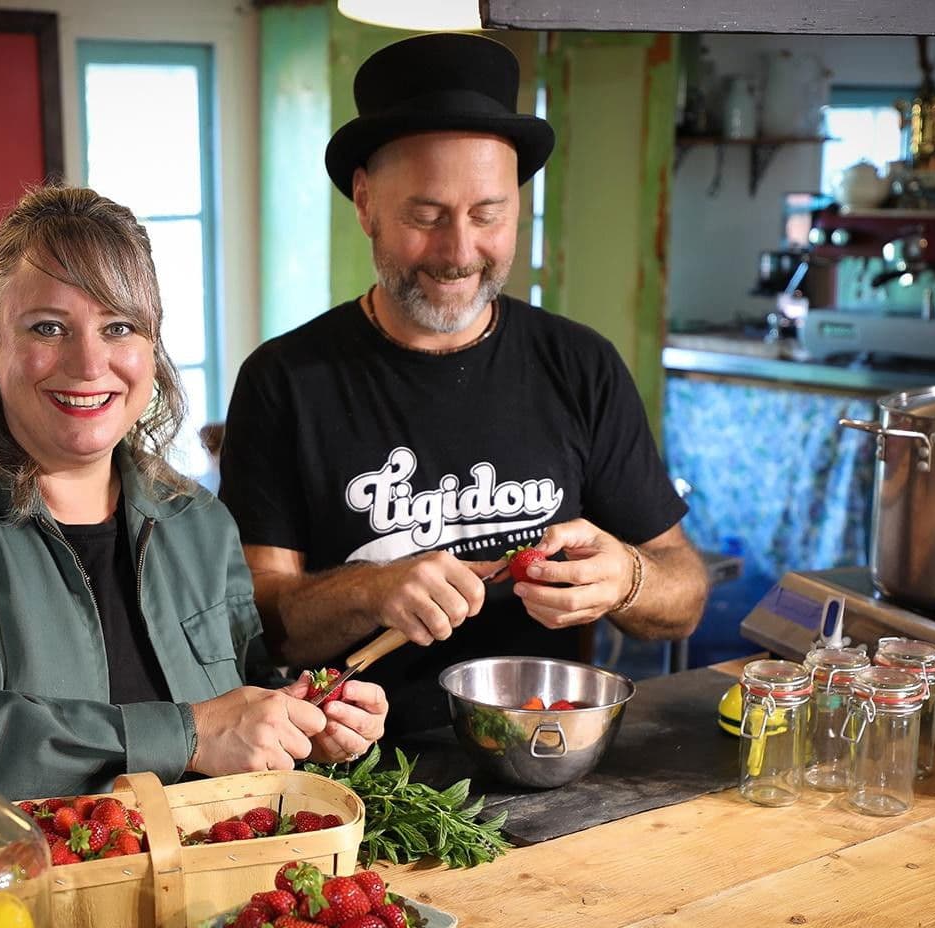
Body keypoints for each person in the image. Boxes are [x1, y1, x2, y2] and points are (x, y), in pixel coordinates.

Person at [0, 186, 387, 832]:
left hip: (169, 882)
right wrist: (188, 734)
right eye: (48, 327)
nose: (88, 362)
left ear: (151, 347)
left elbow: (240, 702)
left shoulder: (196, 521)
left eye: (118, 327)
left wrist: (299, 720)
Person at [218, 34, 709, 730]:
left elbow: (684, 595)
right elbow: (256, 626)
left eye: (488, 215)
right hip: (358, 762)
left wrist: (628, 578)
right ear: (365, 203)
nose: (458, 253)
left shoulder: (580, 365)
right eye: (426, 216)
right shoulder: (285, 380)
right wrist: (371, 590)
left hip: (549, 745)